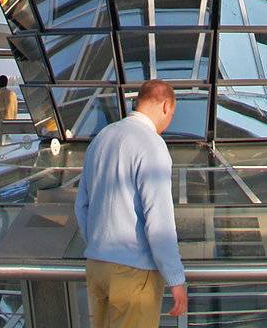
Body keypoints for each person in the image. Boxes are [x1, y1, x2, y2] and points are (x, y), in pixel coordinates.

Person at [75, 80, 186, 328]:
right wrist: (176, 279)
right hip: (134, 273)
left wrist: (97, 244)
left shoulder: (103, 137)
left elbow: (82, 205)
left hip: (97, 266)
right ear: (166, 106)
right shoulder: (152, 145)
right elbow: (159, 222)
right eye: (173, 114)